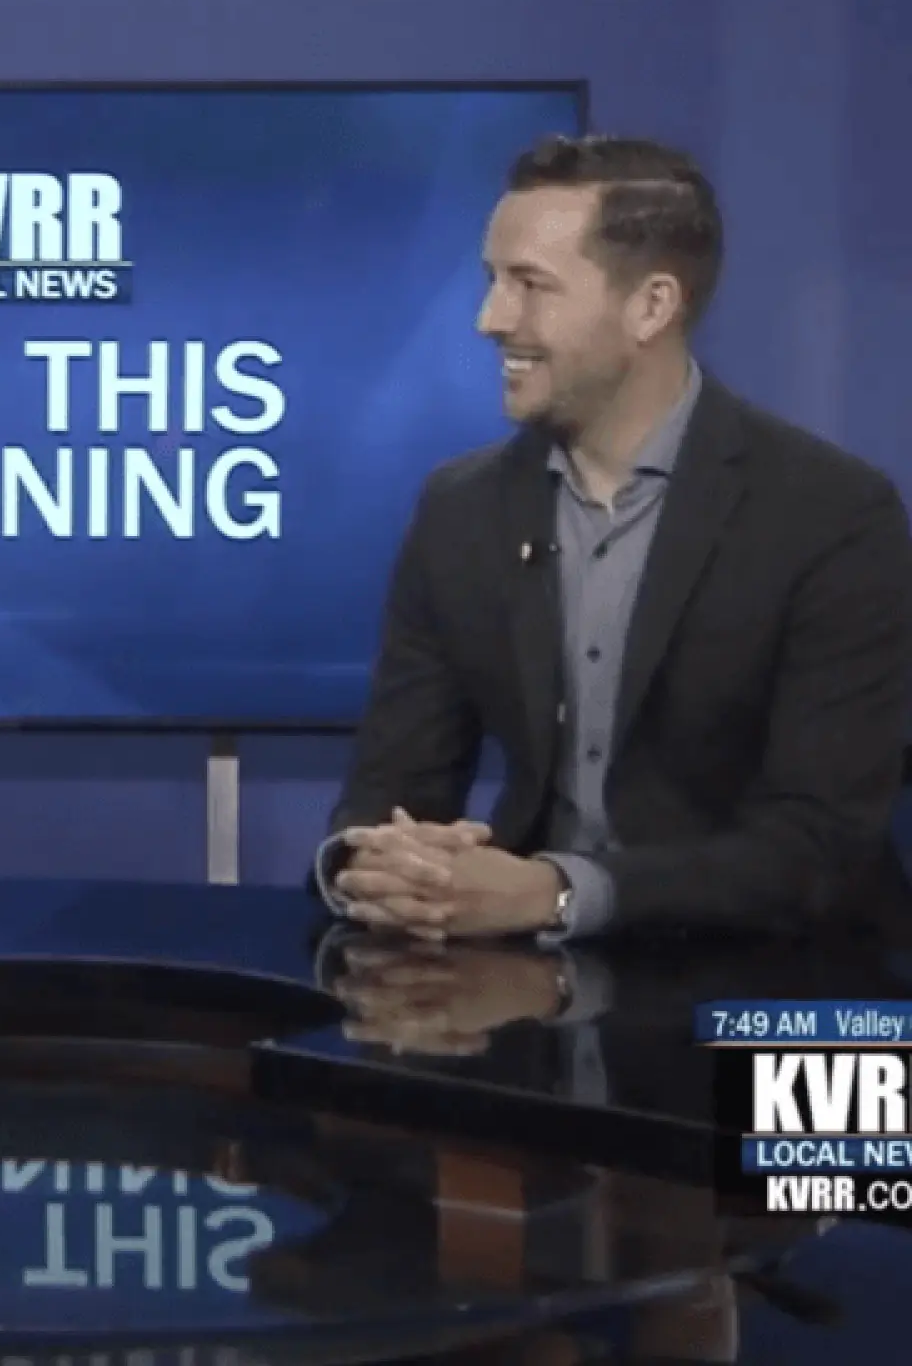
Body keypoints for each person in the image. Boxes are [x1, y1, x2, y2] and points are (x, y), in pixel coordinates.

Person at [316, 134, 912, 942]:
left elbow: (818, 846)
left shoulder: (832, 516)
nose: (490, 319)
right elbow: (392, 788)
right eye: (492, 280)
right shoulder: (461, 510)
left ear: (652, 307)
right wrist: (370, 866)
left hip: (767, 981)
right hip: (521, 987)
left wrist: (558, 892)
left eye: (531, 286)